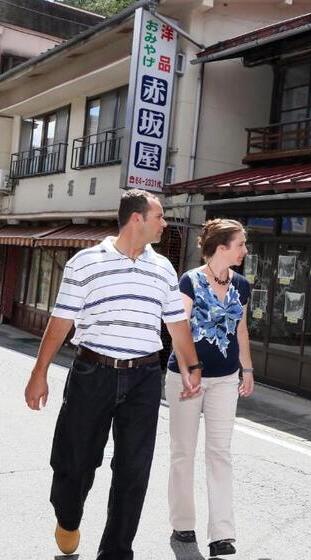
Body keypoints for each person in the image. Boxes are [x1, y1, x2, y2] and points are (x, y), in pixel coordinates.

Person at [23, 189, 202, 559]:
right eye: (159, 216)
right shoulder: (86, 263)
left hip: (144, 377)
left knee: (133, 470)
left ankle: (117, 552)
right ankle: (68, 518)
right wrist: (39, 372)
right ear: (137, 218)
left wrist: (191, 366)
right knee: (75, 462)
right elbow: (61, 321)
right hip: (93, 372)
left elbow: (177, 325)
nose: (164, 223)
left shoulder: (163, 267)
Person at [166, 219, 254, 558]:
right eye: (240, 244)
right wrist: (191, 369)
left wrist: (246, 368)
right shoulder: (189, 281)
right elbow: (178, 329)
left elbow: (241, 330)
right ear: (221, 248)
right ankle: (183, 524)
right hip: (186, 378)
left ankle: (222, 534)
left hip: (225, 379)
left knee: (220, 453)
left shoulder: (242, 285)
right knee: (183, 452)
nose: (245, 250)